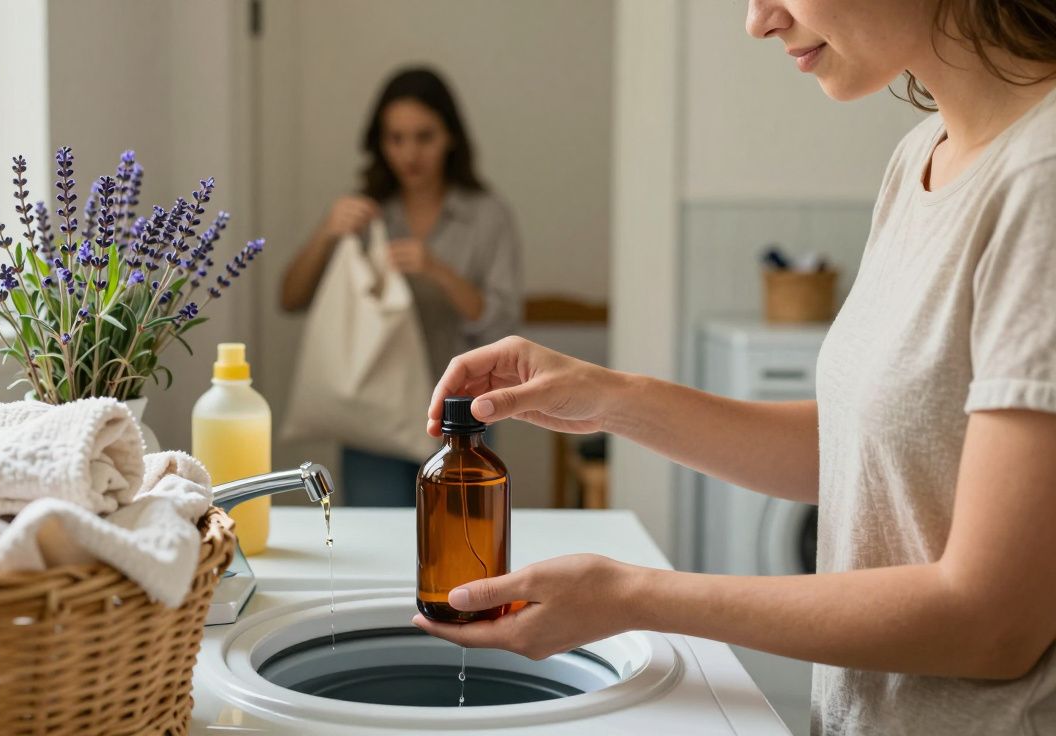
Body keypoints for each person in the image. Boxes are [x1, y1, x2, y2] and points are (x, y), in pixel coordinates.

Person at [412, 1, 1056, 734]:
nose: (759, 20)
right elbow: (874, 457)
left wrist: (632, 596)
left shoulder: (1042, 181)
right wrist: (609, 397)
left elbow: (994, 622)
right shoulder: (921, 157)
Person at [281, 66, 523, 507]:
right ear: (380, 143)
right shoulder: (367, 214)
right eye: (396, 138)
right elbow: (291, 297)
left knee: (461, 539)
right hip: (374, 411)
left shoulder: (487, 215)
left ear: (450, 137)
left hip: (461, 411)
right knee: (377, 541)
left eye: (424, 136)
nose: (410, 153)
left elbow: (503, 319)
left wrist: (438, 270)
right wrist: (327, 231)